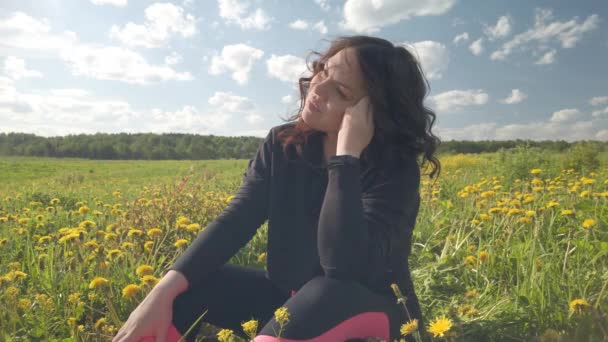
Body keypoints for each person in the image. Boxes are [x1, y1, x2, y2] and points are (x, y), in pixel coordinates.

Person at [113, 35, 441, 342]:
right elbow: (236, 220)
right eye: (322, 71)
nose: (318, 88)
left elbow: (343, 267)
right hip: (291, 303)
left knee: (325, 293)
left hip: (371, 311)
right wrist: (161, 292)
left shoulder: (395, 169)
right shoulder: (283, 144)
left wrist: (346, 159)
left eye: (340, 91)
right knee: (185, 288)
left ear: (373, 113)